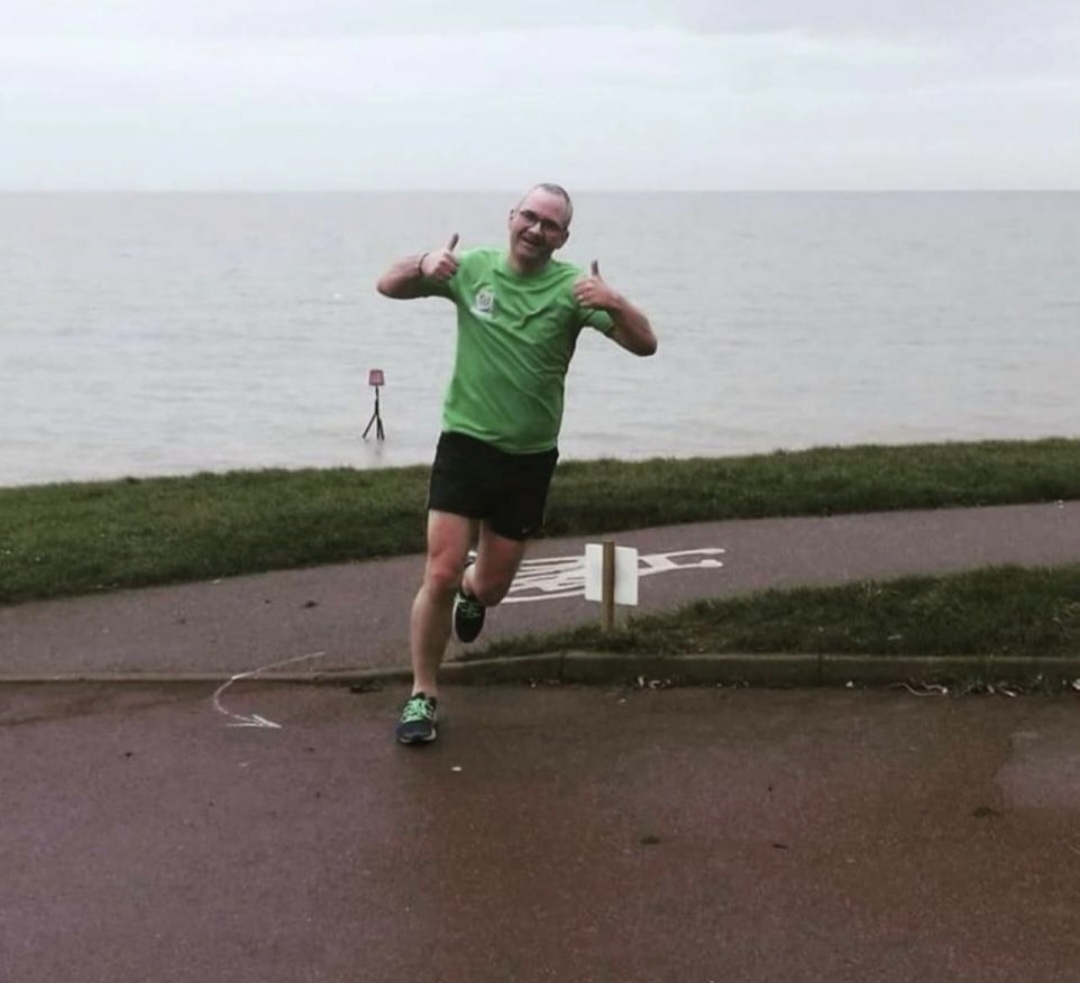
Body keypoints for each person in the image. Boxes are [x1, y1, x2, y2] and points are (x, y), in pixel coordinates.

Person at [375, 183, 657, 744]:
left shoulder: (575, 290)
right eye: (530, 216)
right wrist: (423, 263)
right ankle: (423, 694)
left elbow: (645, 344)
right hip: (465, 445)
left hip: (528, 460)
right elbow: (388, 284)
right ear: (511, 218)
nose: (536, 229)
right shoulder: (470, 268)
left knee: (493, 587)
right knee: (438, 571)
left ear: (563, 238)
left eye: (550, 224)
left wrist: (615, 303)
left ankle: (473, 593)